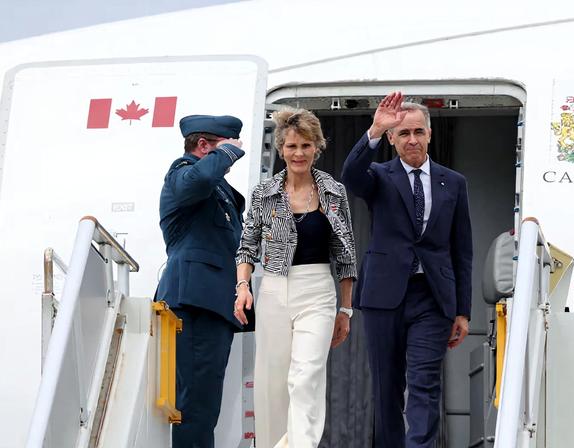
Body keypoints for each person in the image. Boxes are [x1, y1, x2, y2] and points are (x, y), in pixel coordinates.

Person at [341, 92, 473, 448]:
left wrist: (463, 309)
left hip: (432, 297)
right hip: (384, 296)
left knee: (425, 380)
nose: (412, 139)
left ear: (429, 134)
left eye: (418, 132)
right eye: (403, 133)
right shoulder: (379, 176)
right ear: (392, 139)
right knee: (387, 386)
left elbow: (462, 249)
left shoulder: (453, 182)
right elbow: (350, 176)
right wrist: (373, 129)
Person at [234, 108, 357, 448]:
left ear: (317, 147)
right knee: (273, 384)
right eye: (291, 146)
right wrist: (243, 286)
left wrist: (345, 310)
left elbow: (346, 254)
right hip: (273, 289)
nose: (298, 153)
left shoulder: (333, 190)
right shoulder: (264, 193)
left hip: (318, 290)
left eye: (305, 145)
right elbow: (246, 247)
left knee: (305, 379)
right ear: (281, 149)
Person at [155, 114, 247, 447]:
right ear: (203, 145)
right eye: (230, 146)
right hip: (194, 303)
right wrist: (224, 155)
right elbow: (195, 181)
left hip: (212, 305)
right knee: (195, 406)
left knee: (204, 408)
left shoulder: (219, 191)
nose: (237, 153)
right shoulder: (181, 175)